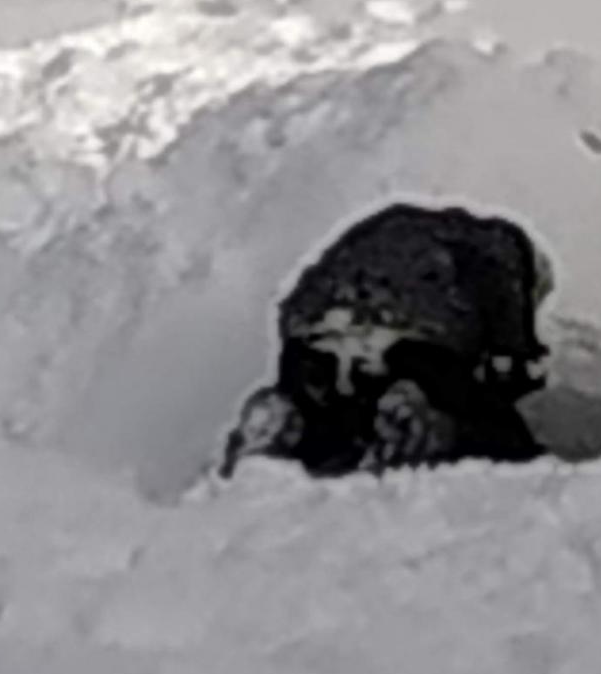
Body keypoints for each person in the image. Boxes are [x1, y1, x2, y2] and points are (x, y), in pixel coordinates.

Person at [222, 203, 552, 477]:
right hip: (412, 332)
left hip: (322, 322)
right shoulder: (500, 258)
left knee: (317, 407)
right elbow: (510, 376)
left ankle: (281, 425)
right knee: (475, 421)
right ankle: (410, 423)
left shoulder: (396, 229)